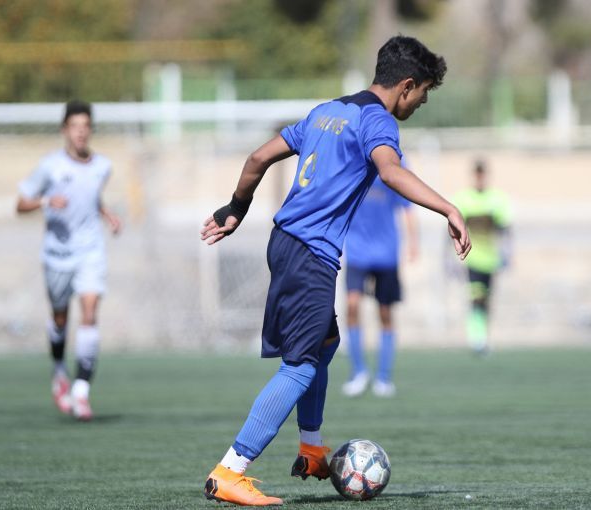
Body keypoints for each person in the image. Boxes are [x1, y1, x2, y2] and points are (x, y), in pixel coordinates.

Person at [199, 35, 470, 507]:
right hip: (311, 255)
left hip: (284, 243)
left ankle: (311, 449)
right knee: (300, 365)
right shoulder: (376, 121)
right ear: (407, 85)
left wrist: (235, 208)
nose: (421, 104)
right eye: (424, 94)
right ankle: (230, 470)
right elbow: (390, 172)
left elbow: (258, 158)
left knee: (325, 343)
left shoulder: (327, 111)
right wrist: (449, 208)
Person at [16, 100, 121, 421]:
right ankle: (59, 369)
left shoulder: (102, 166)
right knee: (60, 320)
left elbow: (89, 195)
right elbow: (20, 204)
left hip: (90, 250)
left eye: (85, 126)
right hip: (57, 255)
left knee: (89, 313)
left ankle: (81, 391)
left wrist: (107, 214)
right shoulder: (49, 166)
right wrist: (46, 201)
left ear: (90, 130)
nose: (80, 132)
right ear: (65, 130)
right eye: (75, 127)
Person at [341, 169, 418, 398]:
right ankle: (359, 372)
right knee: (352, 306)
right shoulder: (353, 160)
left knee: (385, 313)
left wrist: (413, 242)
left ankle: (383, 377)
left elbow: (408, 205)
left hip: (386, 253)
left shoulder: (394, 162)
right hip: (357, 251)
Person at [452, 159, 511, 355]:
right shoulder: (463, 199)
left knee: (486, 300)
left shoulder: (496, 199)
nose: (479, 178)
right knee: (476, 297)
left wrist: (507, 254)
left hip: (490, 260)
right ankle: (476, 339)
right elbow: (452, 229)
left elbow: (505, 228)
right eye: (477, 174)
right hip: (472, 259)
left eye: (482, 174)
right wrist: (450, 258)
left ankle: (483, 336)